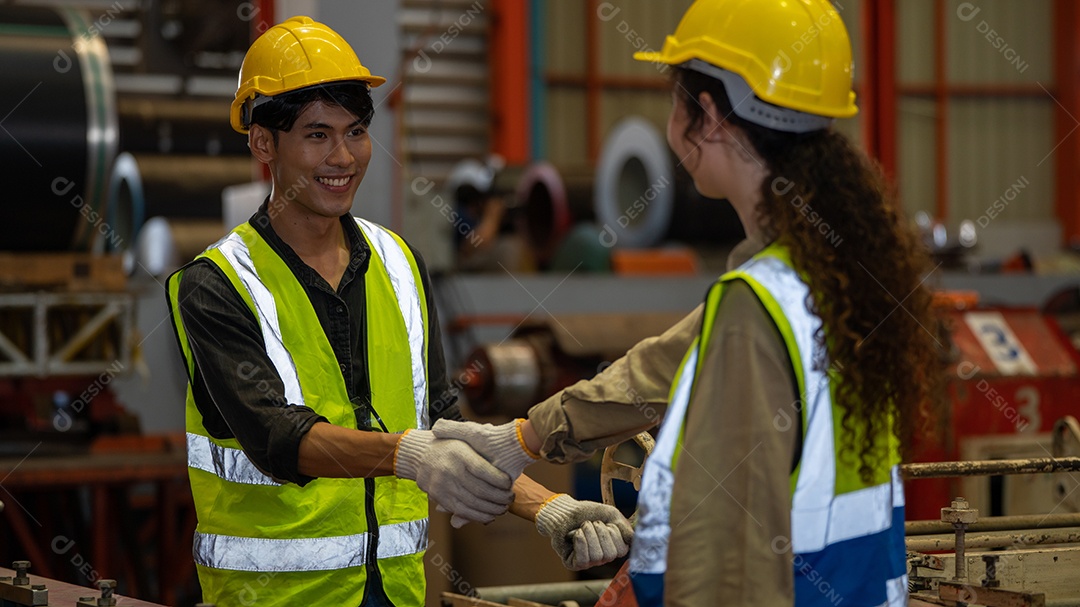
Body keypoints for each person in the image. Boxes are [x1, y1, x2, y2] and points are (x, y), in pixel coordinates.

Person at [433, 1, 945, 605]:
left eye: (677, 98)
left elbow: (724, 555)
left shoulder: (755, 305)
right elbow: (662, 367)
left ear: (706, 115)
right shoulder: (833, 274)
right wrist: (527, 435)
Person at [166, 16, 630, 607]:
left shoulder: (399, 263)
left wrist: (549, 509)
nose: (344, 156)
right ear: (263, 142)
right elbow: (276, 437)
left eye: (355, 131)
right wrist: (407, 455)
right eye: (316, 135)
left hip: (397, 594)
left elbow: (440, 426)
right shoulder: (216, 285)